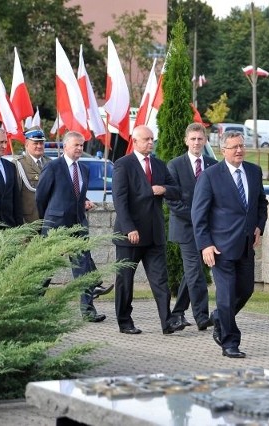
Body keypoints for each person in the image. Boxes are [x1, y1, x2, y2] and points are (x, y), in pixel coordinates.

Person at [191, 131, 268, 358]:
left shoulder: (254, 172)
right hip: (220, 248)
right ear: (223, 150)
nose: (239, 150)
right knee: (225, 295)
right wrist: (205, 244)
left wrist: (259, 227)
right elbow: (199, 214)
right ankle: (229, 342)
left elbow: (260, 203)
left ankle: (219, 318)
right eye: (234, 147)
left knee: (246, 290)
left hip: (246, 245)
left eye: (241, 146)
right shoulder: (210, 176)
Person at [112, 125, 184, 335]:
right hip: (130, 236)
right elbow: (120, 200)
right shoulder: (123, 165)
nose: (151, 142)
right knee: (125, 280)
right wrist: (129, 228)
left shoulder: (159, 165)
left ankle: (167, 322)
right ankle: (125, 321)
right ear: (135, 141)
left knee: (160, 279)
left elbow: (177, 191)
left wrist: (164, 189)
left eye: (152, 139)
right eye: (146, 139)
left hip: (154, 235)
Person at [35, 131, 106, 323]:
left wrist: (85, 203)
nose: (79, 149)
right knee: (46, 268)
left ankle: (88, 311)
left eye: (82, 145)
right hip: (55, 226)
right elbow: (41, 197)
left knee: (83, 269)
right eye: (76, 145)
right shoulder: (53, 167)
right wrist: (48, 219)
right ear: (65, 146)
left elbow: (78, 195)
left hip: (78, 225)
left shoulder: (84, 169)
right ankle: (31, 306)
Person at [166, 123, 217, 330]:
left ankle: (177, 312)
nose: (196, 142)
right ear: (186, 141)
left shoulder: (214, 165)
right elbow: (172, 201)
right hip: (185, 228)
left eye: (200, 139)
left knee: (191, 273)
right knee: (195, 272)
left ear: (205, 140)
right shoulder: (175, 165)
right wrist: (197, 217)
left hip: (206, 229)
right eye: (193, 139)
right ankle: (202, 317)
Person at [13, 127, 51, 224]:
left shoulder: (50, 163)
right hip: (28, 220)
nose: (39, 146)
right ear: (26, 144)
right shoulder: (18, 164)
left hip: (48, 219)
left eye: (41, 143)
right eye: (35, 143)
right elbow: (15, 196)